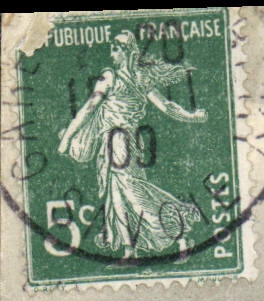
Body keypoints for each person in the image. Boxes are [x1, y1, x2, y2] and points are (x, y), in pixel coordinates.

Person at [55, 30, 207, 255]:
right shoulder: (141, 79)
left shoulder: (111, 77)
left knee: (133, 194)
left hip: (120, 142)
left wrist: (67, 138)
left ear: (126, 52)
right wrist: (190, 116)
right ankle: (129, 250)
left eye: (115, 48)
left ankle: (180, 230)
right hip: (120, 142)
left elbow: (89, 109)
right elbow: (167, 107)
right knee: (117, 195)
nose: (112, 53)